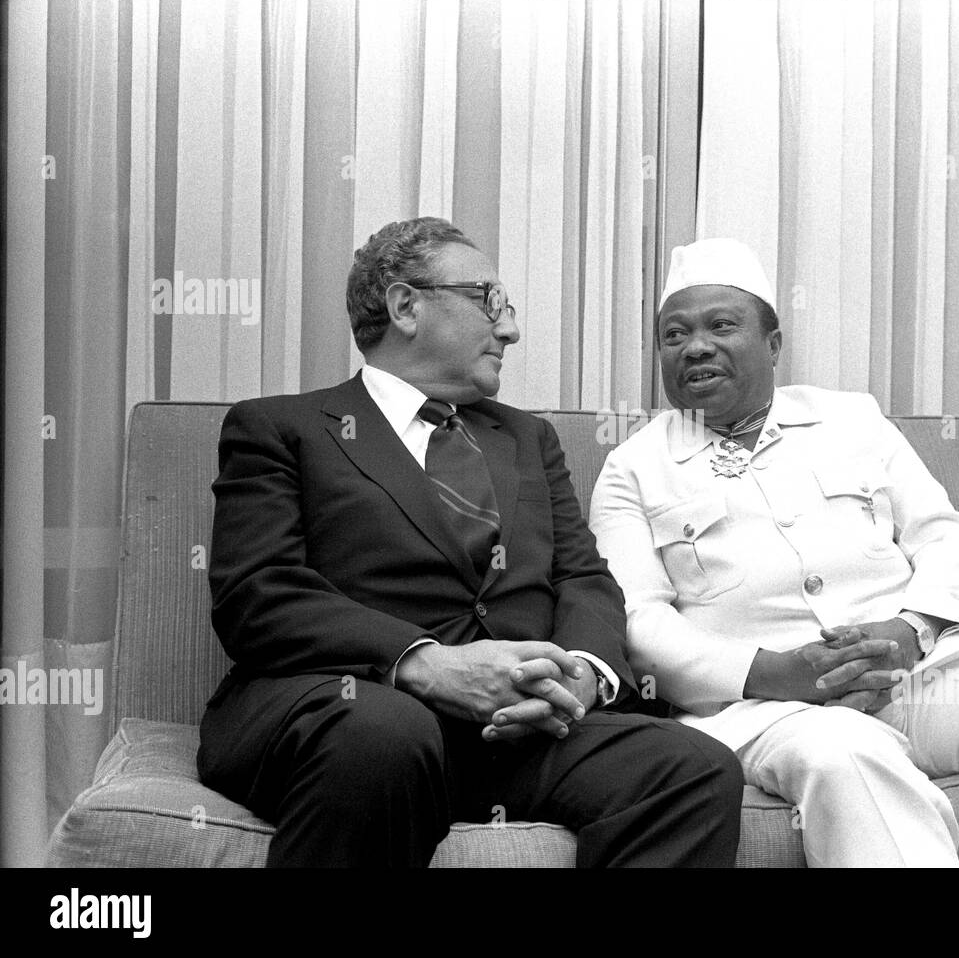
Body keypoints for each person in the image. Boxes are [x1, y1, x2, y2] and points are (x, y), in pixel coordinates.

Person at [589, 237, 959, 867]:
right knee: (847, 753)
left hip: (918, 674)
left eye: (721, 325)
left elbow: (949, 537)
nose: (695, 346)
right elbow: (639, 621)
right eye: (674, 335)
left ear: (773, 344)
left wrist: (910, 631)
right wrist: (775, 672)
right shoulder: (632, 468)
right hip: (763, 710)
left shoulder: (852, 420)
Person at [197, 217, 743, 867]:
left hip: (511, 737)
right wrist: (426, 664)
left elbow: (582, 579)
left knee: (694, 766)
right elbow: (259, 594)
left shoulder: (527, 437)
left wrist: (584, 675)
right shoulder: (282, 427)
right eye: (491, 301)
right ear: (406, 306)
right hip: (347, 713)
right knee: (385, 732)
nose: (510, 328)